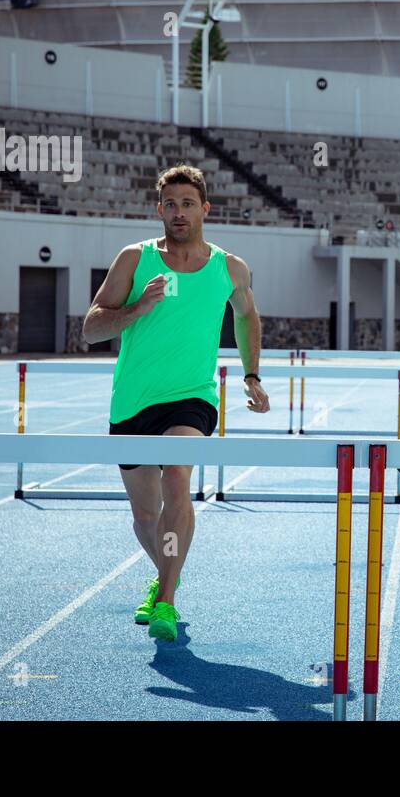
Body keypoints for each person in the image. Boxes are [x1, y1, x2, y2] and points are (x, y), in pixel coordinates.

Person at [82, 165, 270, 641]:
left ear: (205, 208)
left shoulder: (230, 267)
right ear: (158, 209)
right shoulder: (134, 259)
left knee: (178, 476)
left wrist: (251, 374)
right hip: (132, 401)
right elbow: (90, 329)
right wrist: (137, 308)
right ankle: (169, 573)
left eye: (188, 203)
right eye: (170, 204)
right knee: (145, 516)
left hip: (193, 397)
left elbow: (247, 317)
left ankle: (164, 599)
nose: (179, 212)